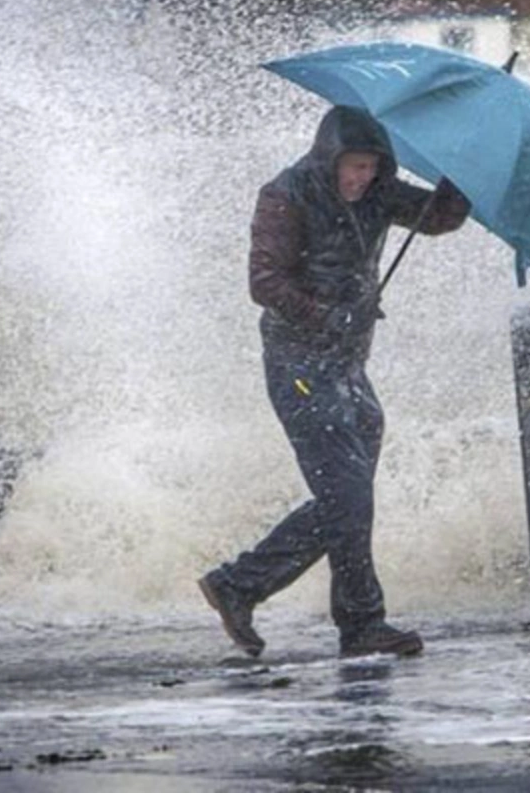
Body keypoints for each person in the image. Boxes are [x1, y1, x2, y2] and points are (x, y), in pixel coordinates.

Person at [199, 105, 470, 659]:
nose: (361, 179)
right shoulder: (286, 194)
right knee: (348, 496)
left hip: (348, 367)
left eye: (371, 168)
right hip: (298, 366)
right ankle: (356, 621)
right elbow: (264, 282)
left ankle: (244, 586)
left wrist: (458, 178)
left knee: (349, 499)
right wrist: (325, 315)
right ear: (329, 159)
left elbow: (438, 218)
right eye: (353, 167)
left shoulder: (378, 193)